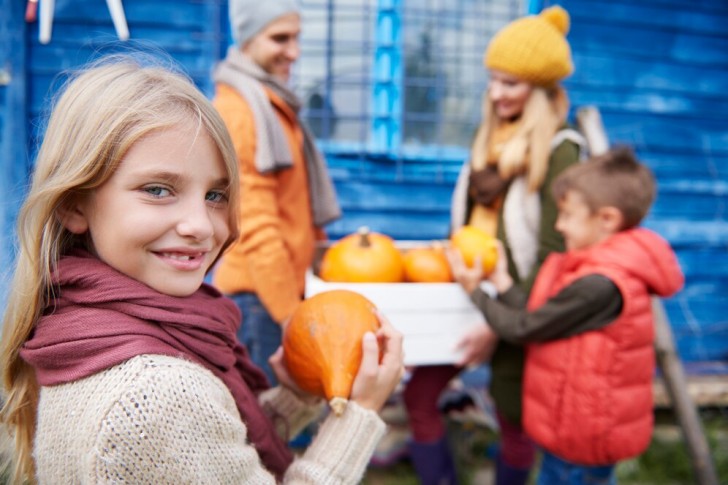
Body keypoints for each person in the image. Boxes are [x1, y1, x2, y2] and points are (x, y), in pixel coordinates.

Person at [0, 57, 404, 484]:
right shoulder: (157, 393)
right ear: (73, 204)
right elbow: (178, 430)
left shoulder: (81, 327)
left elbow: (205, 455)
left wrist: (296, 396)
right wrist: (357, 418)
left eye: (215, 195)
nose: (200, 226)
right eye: (157, 190)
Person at [401, 6, 586, 484]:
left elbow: (554, 255)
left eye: (511, 83)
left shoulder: (561, 149)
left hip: (518, 304)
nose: (496, 93)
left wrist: (500, 323)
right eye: (493, 80)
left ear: (541, 88)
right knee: (420, 397)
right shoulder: (488, 140)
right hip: (465, 294)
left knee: (512, 419)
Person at [448, 147, 684, 484]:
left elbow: (523, 327)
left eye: (567, 215)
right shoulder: (592, 268)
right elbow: (543, 316)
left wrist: (474, 291)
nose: (558, 226)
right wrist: (501, 280)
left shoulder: (600, 284)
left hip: (582, 442)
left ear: (607, 219)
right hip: (572, 435)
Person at [210, 0, 341, 386]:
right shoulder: (242, 111)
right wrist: (291, 315)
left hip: (279, 293)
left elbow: (292, 204)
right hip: (260, 302)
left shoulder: (273, 102)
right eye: (279, 38)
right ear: (248, 39)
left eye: (296, 37)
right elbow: (256, 225)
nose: (294, 52)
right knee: (269, 423)